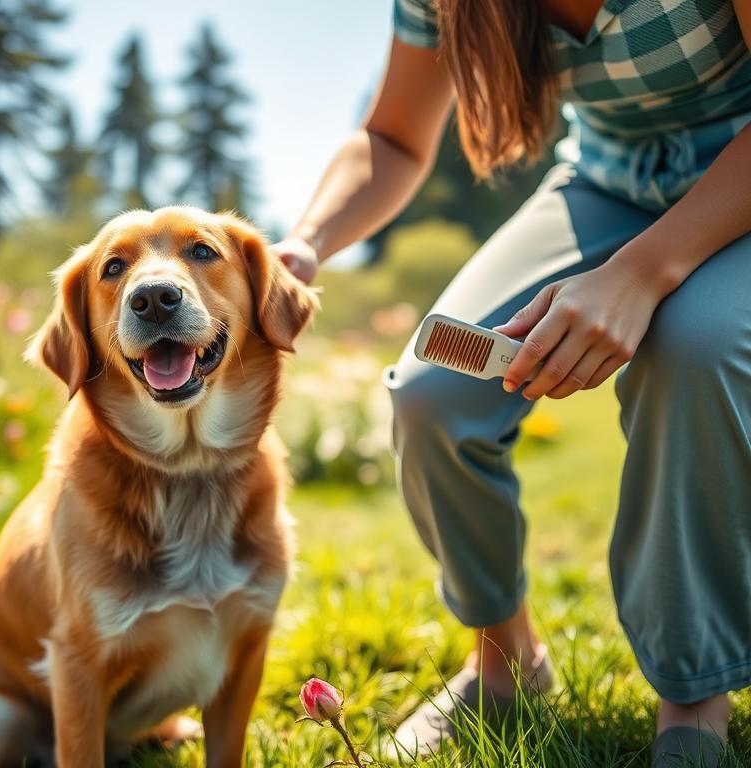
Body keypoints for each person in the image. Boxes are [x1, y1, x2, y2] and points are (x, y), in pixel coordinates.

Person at [272, 1, 751, 765]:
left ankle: (693, 699)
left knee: (693, 350)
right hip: (609, 179)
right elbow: (392, 137)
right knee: (432, 391)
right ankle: (505, 664)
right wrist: (305, 243)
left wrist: (639, 275)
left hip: (738, 176)